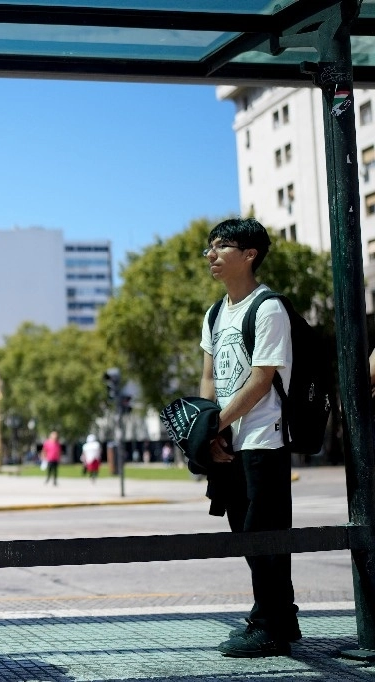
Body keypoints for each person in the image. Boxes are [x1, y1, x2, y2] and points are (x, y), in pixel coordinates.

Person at [199, 217, 300, 657]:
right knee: (246, 535)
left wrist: (218, 424)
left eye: (222, 246)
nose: (212, 255)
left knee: (266, 535)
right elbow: (207, 376)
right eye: (210, 248)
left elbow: (261, 380)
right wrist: (208, 430)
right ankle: (280, 619)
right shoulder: (216, 312)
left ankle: (270, 626)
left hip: (264, 440)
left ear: (250, 254)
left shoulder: (268, 307)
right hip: (229, 443)